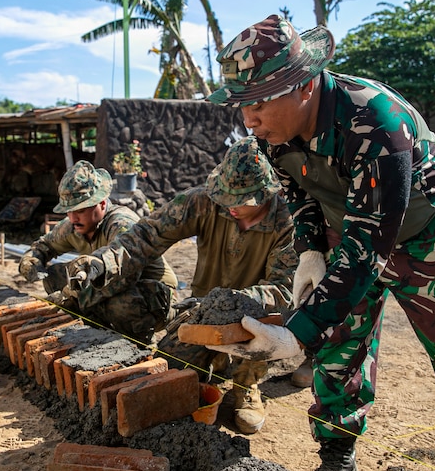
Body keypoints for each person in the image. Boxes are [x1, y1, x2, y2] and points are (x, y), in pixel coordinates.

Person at [204, 14, 435, 471]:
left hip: (429, 235)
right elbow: (299, 189)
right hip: (353, 229)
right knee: (341, 348)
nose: (248, 120)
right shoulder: (269, 134)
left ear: (302, 86)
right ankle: (338, 459)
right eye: (241, 106)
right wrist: (311, 249)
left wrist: (298, 330)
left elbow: (371, 244)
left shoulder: (374, 121)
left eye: (257, 102)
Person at [64, 136, 298, 435]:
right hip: (198, 313)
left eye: (241, 200)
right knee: (168, 374)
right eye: (225, 197)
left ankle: (245, 384)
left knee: (258, 339)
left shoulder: (289, 221)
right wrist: (103, 262)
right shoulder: (202, 201)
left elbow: (284, 290)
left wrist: (229, 303)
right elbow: (146, 235)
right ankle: (207, 370)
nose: (231, 207)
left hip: (256, 317)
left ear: (266, 194)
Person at [18, 160, 178, 343]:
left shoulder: (122, 224)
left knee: (119, 303)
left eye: (80, 210)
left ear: (101, 204)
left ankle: (138, 344)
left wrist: (70, 295)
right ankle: (94, 331)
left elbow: (125, 277)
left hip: (156, 296)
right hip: (114, 288)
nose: (73, 217)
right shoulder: (74, 224)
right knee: (55, 276)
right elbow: (44, 245)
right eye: (69, 210)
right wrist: (32, 258)